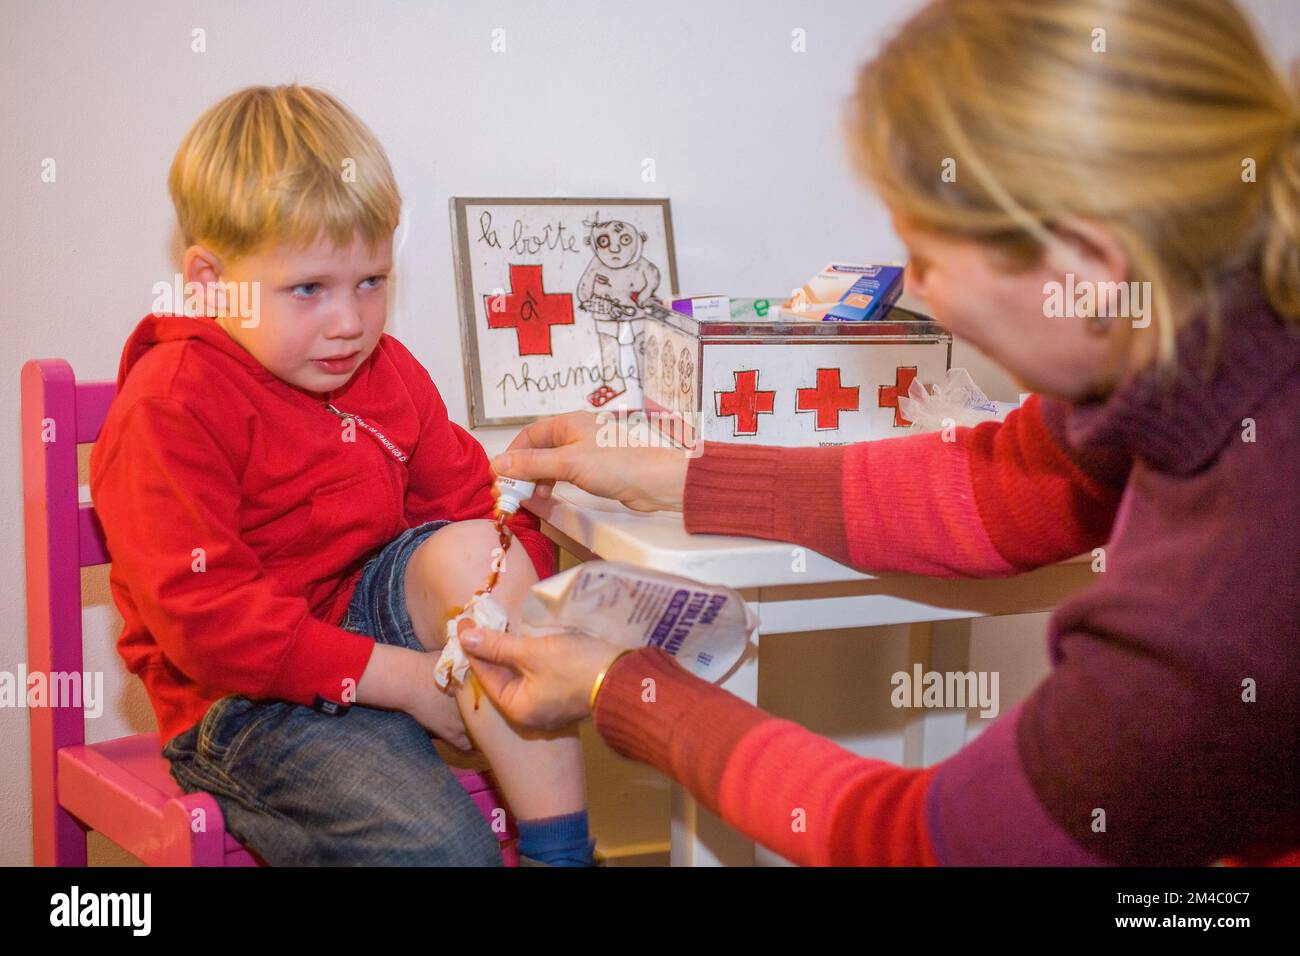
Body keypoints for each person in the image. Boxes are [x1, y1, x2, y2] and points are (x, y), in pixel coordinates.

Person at [463, 0, 1300, 866]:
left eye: (928, 257)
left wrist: (620, 686)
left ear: (1089, 270)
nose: (915, 288)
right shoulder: (1205, 347)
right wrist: (681, 476)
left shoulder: (1231, 583)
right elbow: (1006, 485)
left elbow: (930, 845)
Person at [89, 84, 598, 866]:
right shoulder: (170, 405)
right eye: (309, 290)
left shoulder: (382, 371)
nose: (350, 322)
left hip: (372, 631)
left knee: (479, 551)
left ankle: (561, 855)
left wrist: (531, 610)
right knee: (444, 850)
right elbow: (211, 623)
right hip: (246, 704)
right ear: (210, 280)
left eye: (371, 282)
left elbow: (478, 506)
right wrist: (409, 683)